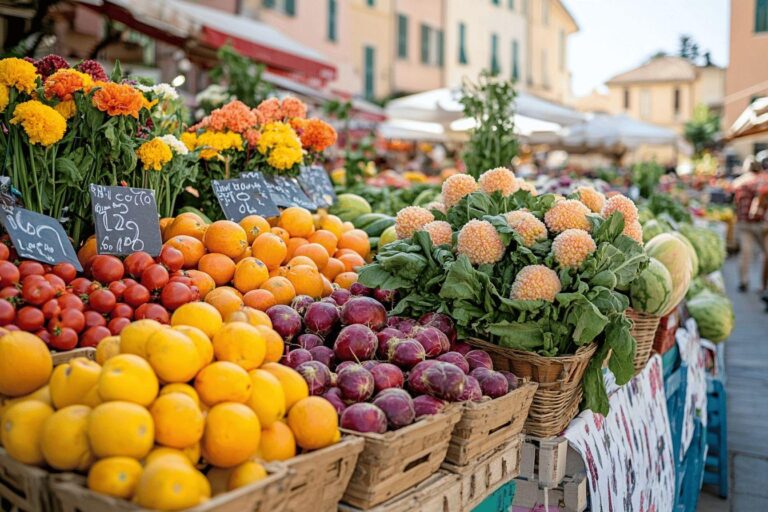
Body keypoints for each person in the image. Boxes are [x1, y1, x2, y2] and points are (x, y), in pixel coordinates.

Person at [733, 156, 768, 293]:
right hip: (761, 224)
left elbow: (732, 189)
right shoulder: (763, 179)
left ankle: (744, 281)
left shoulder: (741, 181)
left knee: (745, 253)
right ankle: (764, 286)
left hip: (744, 223)